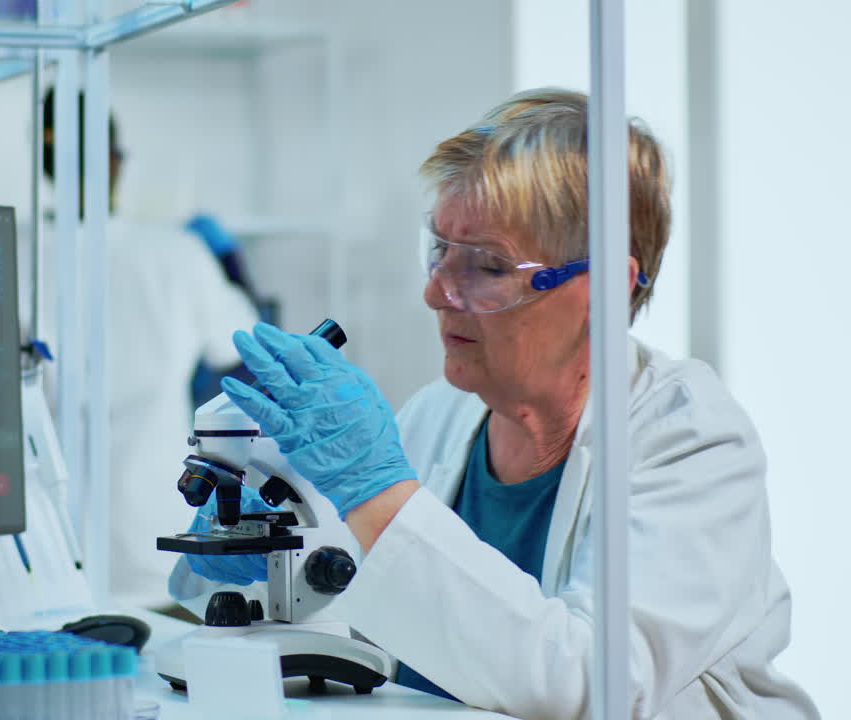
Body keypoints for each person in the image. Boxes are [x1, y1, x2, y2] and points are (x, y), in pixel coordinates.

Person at [169, 89, 819, 719]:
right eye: (440, 250)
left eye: (485, 265)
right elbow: (367, 606)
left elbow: (589, 687)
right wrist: (261, 547)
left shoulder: (691, 442)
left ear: (601, 290)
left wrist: (377, 494)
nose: (436, 292)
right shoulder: (440, 415)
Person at [41, 90, 258, 610]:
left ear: (43, 162)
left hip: (59, 541)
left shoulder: (22, 259)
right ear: (118, 160)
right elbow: (245, 352)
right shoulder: (178, 254)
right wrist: (232, 269)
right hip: (163, 529)